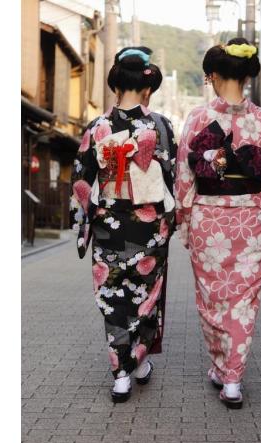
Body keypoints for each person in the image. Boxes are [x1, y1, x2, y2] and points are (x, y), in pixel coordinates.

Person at [174, 37, 261, 409]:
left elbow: (183, 177)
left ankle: (222, 368)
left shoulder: (197, 119)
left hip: (208, 215)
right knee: (243, 300)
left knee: (212, 298)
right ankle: (233, 379)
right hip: (250, 219)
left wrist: (184, 219)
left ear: (213, 76)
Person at [69, 46, 177, 403]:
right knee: (146, 294)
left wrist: (81, 224)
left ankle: (121, 374)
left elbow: (81, 181)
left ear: (116, 85)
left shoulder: (98, 127)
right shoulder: (161, 127)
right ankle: (139, 361)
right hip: (150, 226)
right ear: (147, 88)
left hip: (109, 224)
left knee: (114, 296)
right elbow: (172, 178)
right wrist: (170, 221)